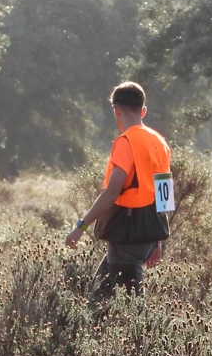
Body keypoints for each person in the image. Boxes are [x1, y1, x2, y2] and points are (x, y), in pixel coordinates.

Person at [65, 82, 171, 301]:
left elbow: (112, 193)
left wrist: (81, 226)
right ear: (143, 110)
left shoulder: (126, 142)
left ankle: (139, 335)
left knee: (129, 304)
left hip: (128, 230)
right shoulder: (159, 142)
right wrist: (157, 240)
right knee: (99, 295)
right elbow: (164, 192)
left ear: (116, 111)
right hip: (149, 228)